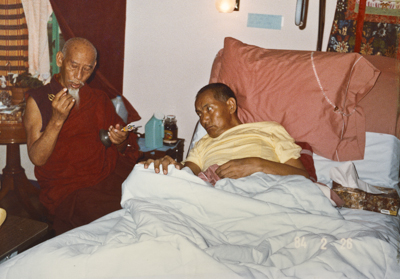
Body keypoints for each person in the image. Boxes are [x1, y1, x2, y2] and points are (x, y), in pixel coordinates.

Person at [24, 37, 140, 234]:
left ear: (94, 67)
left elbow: (121, 147)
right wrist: (57, 120)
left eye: (87, 69)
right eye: (74, 66)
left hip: (108, 174)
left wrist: (119, 142)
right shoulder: (39, 100)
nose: (78, 76)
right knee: (113, 224)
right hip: (68, 188)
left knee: (144, 204)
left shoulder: (98, 98)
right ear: (60, 59)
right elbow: (37, 158)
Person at [142, 83, 309, 180]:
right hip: (218, 195)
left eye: (208, 109)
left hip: (265, 190)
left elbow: (302, 177)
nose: (203, 120)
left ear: (230, 105)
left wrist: (258, 165)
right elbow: (186, 173)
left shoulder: (269, 130)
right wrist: (170, 166)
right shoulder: (203, 144)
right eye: (199, 114)